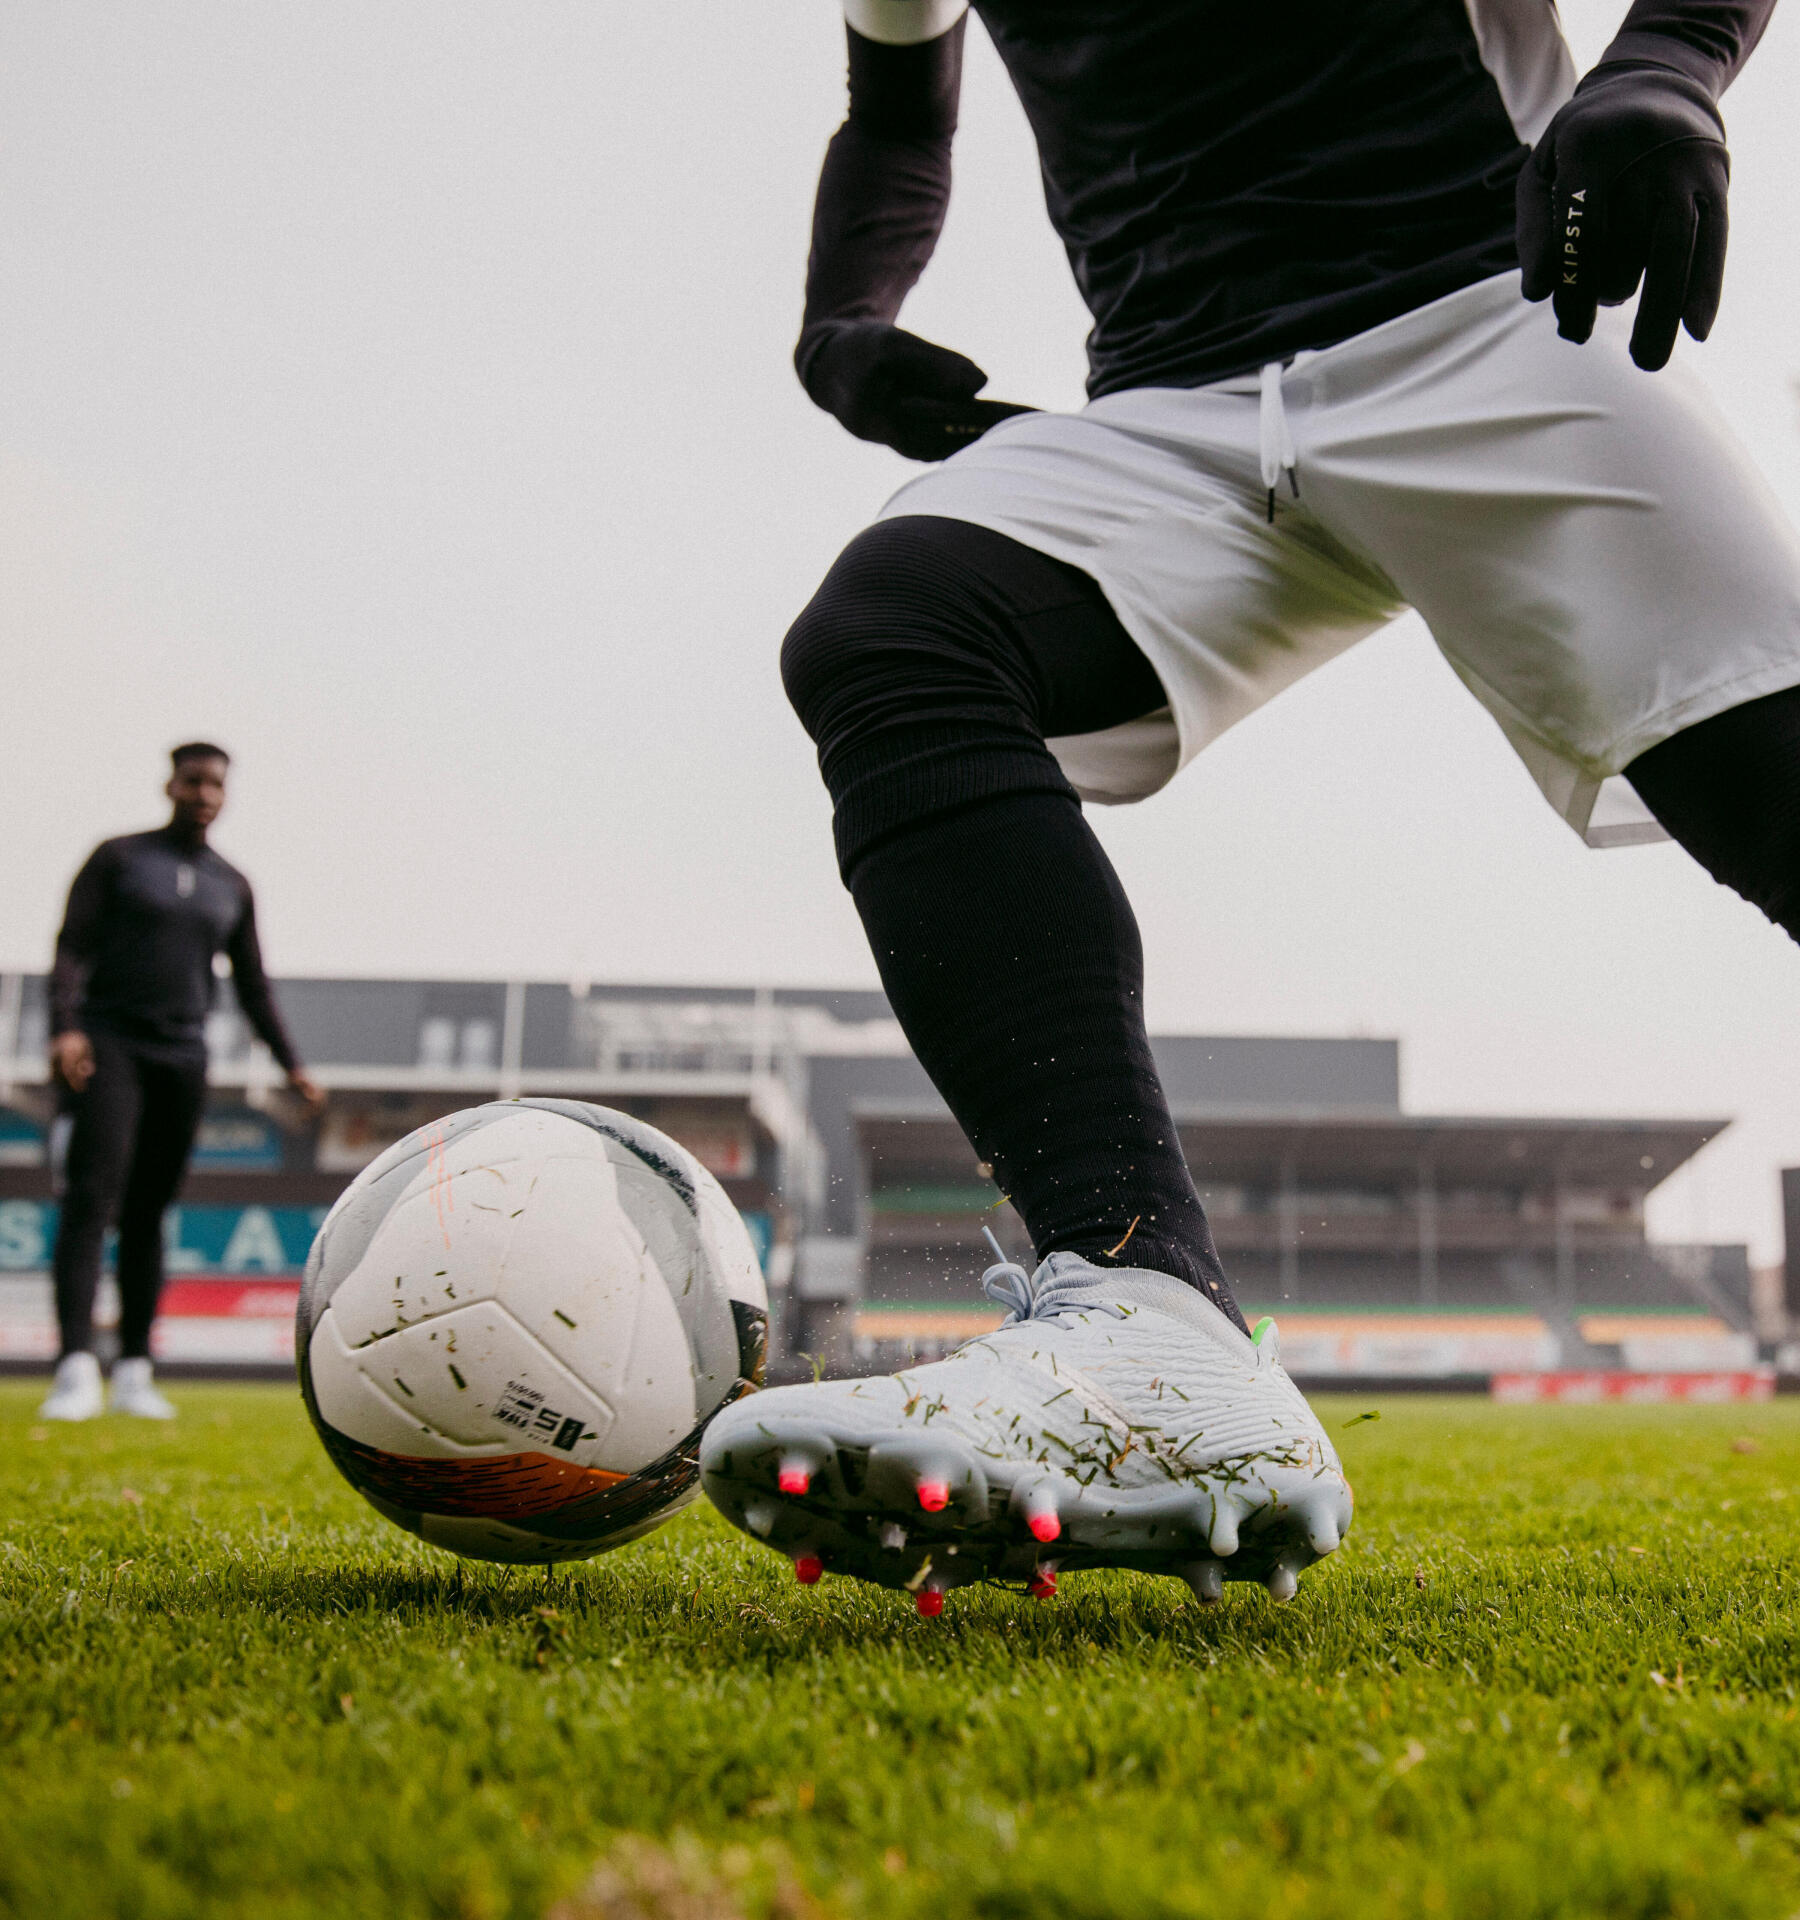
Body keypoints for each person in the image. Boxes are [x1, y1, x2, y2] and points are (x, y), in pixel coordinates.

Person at [700, 0, 1796, 1608]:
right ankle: (1147, 1323)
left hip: (1494, 315)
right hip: (1180, 409)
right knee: (896, 630)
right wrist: (837, 321)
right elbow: (898, 116)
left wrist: (1667, 64)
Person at [38, 744, 322, 1422]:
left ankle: (135, 1368)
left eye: (215, 784)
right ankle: (75, 1366)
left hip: (183, 1057)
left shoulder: (232, 883)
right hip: (110, 1044)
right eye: (193, 780)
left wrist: (293, 1066)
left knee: (149, 1213)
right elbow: (70, 947)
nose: (203, 793)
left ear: (225, 795)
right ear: (171, 783)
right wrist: (65, 1027)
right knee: (91, 1200)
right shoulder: (120, 859)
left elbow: (252, 985)